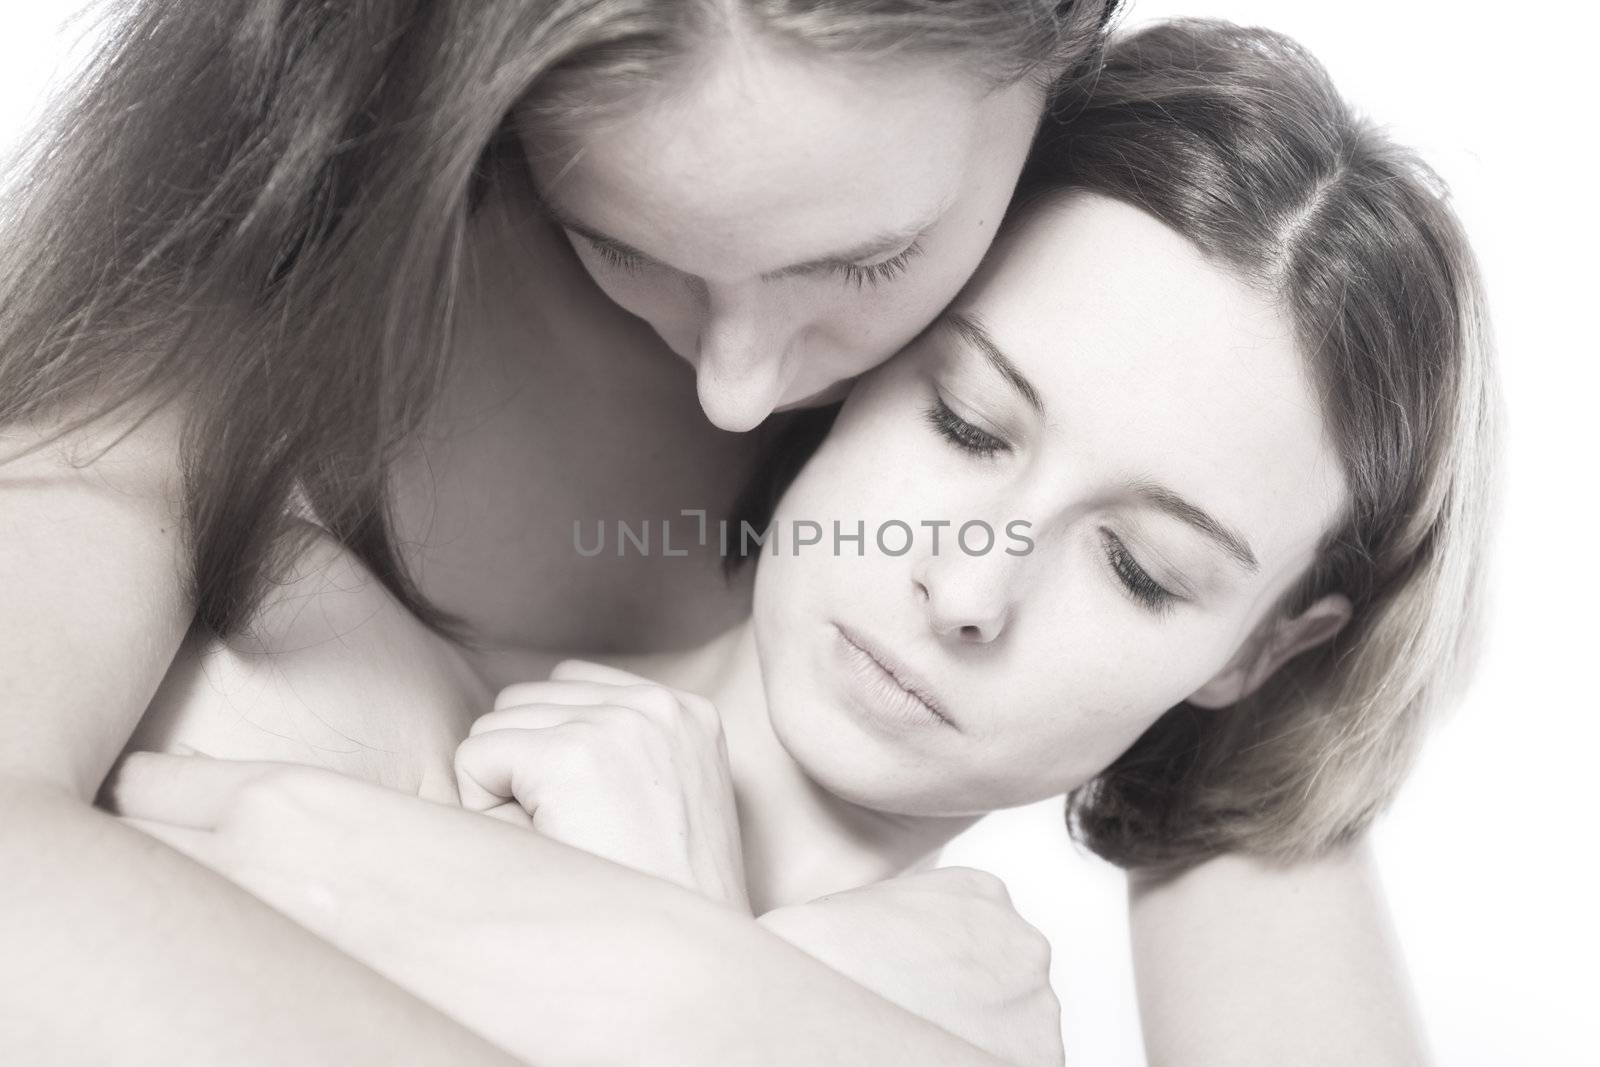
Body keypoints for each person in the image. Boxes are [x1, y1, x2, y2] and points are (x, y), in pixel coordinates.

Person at [107, 19, 1497, 1067]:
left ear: (1258, 653)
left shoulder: (969, 1016)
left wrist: (673, 950)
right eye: (963, 422)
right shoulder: (272, 616)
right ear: (859, 363)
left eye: (1136, 568)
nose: (965, 589)